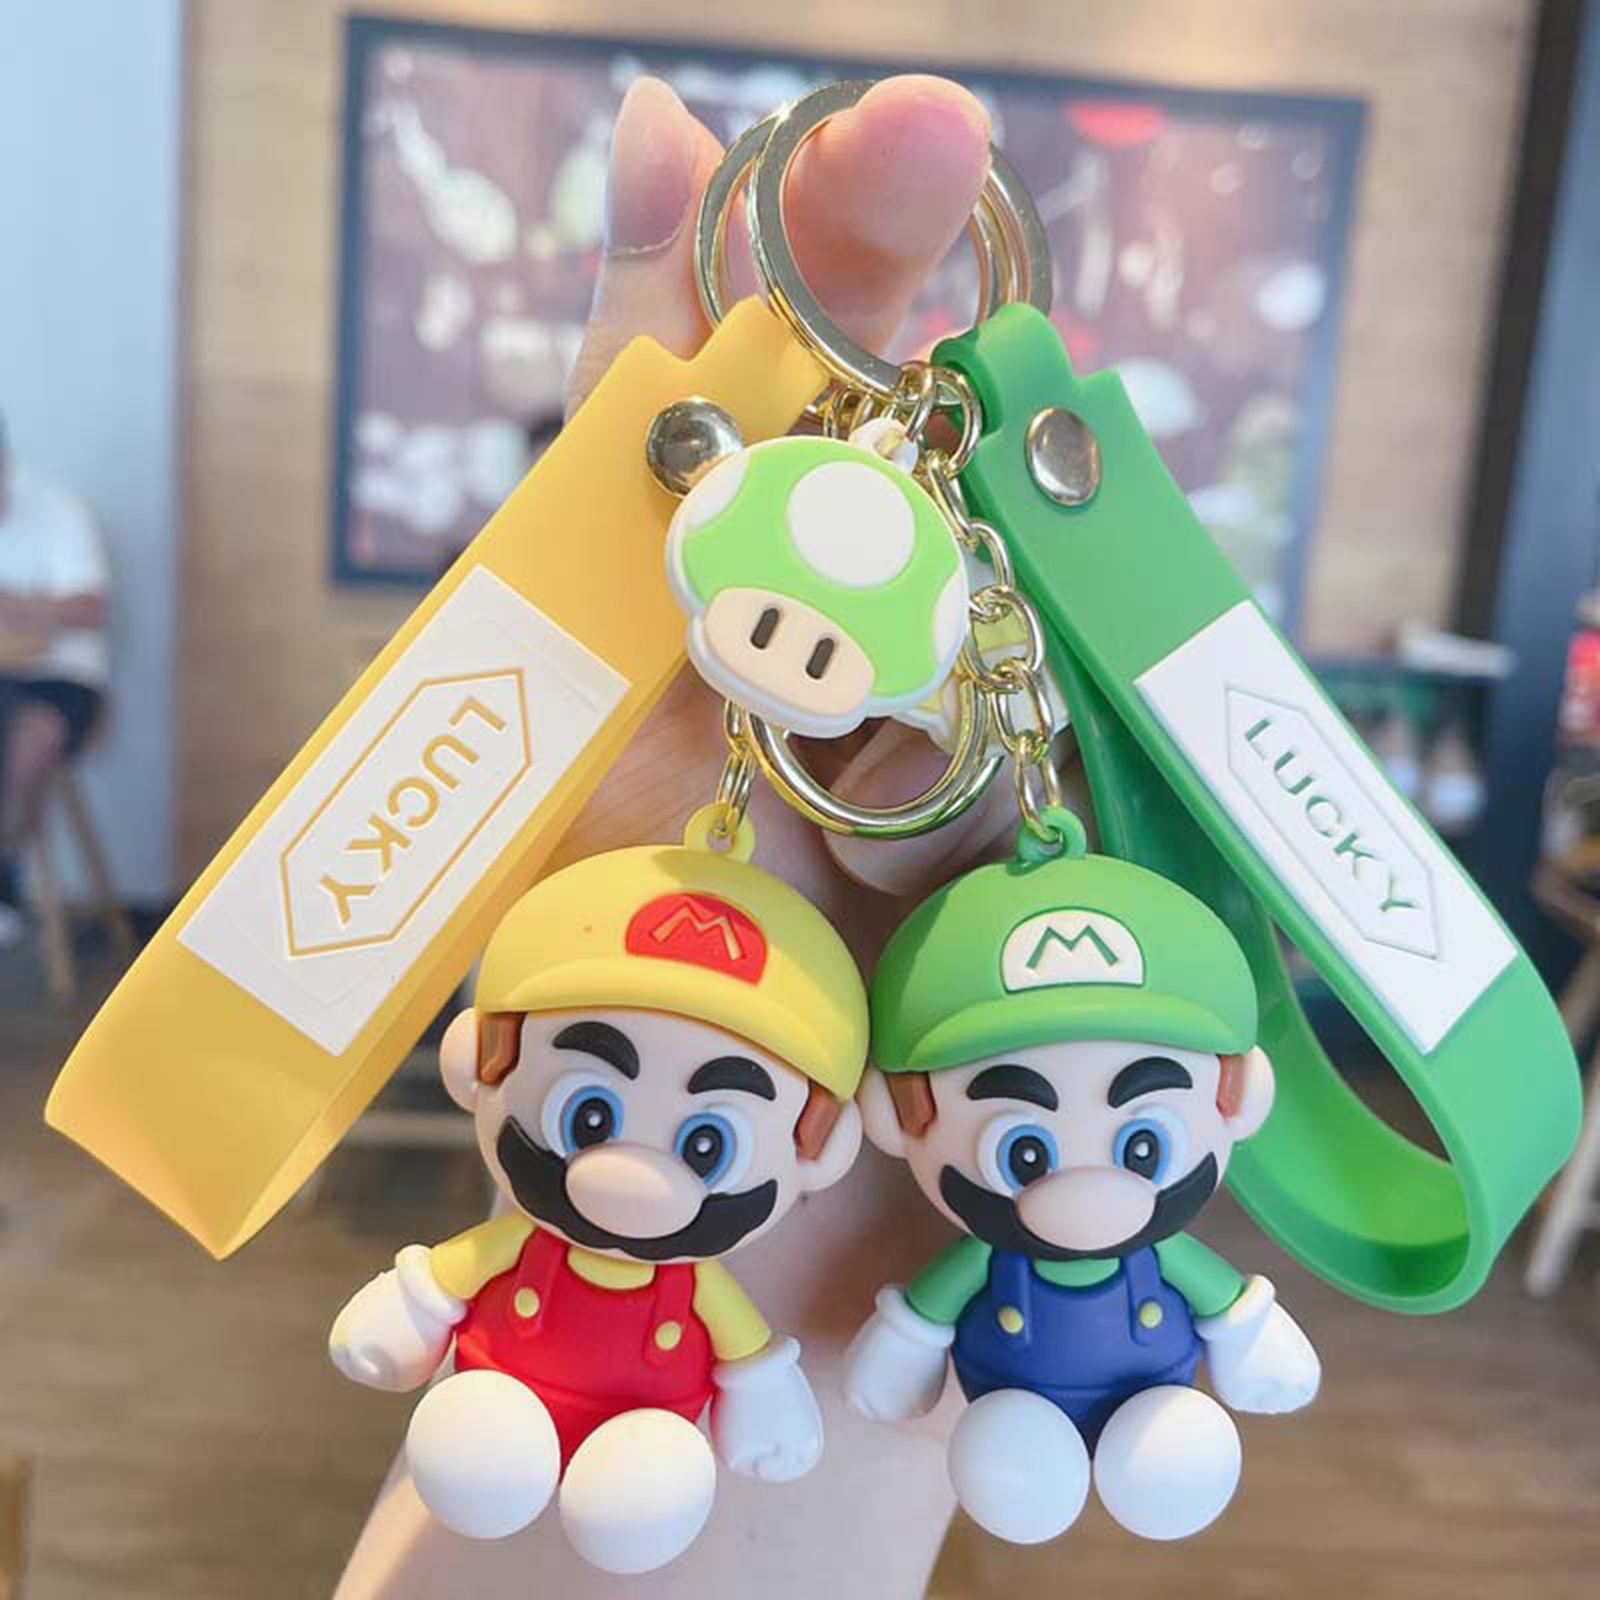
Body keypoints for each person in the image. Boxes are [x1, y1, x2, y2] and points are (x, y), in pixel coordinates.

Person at [334, 73, 1046, 1600]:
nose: (645, 1174)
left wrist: (817, 1349)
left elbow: (750, 1349)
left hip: (707, 1431)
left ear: (824, 1136)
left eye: (714, 1135)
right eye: (597, 1104)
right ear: (485, 1059)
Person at [0, 413, 110, 945]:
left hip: (63, 681)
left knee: (30, 738)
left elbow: (91, 608)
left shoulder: (58, 511)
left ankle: (5, 876)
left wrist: (19, 605)